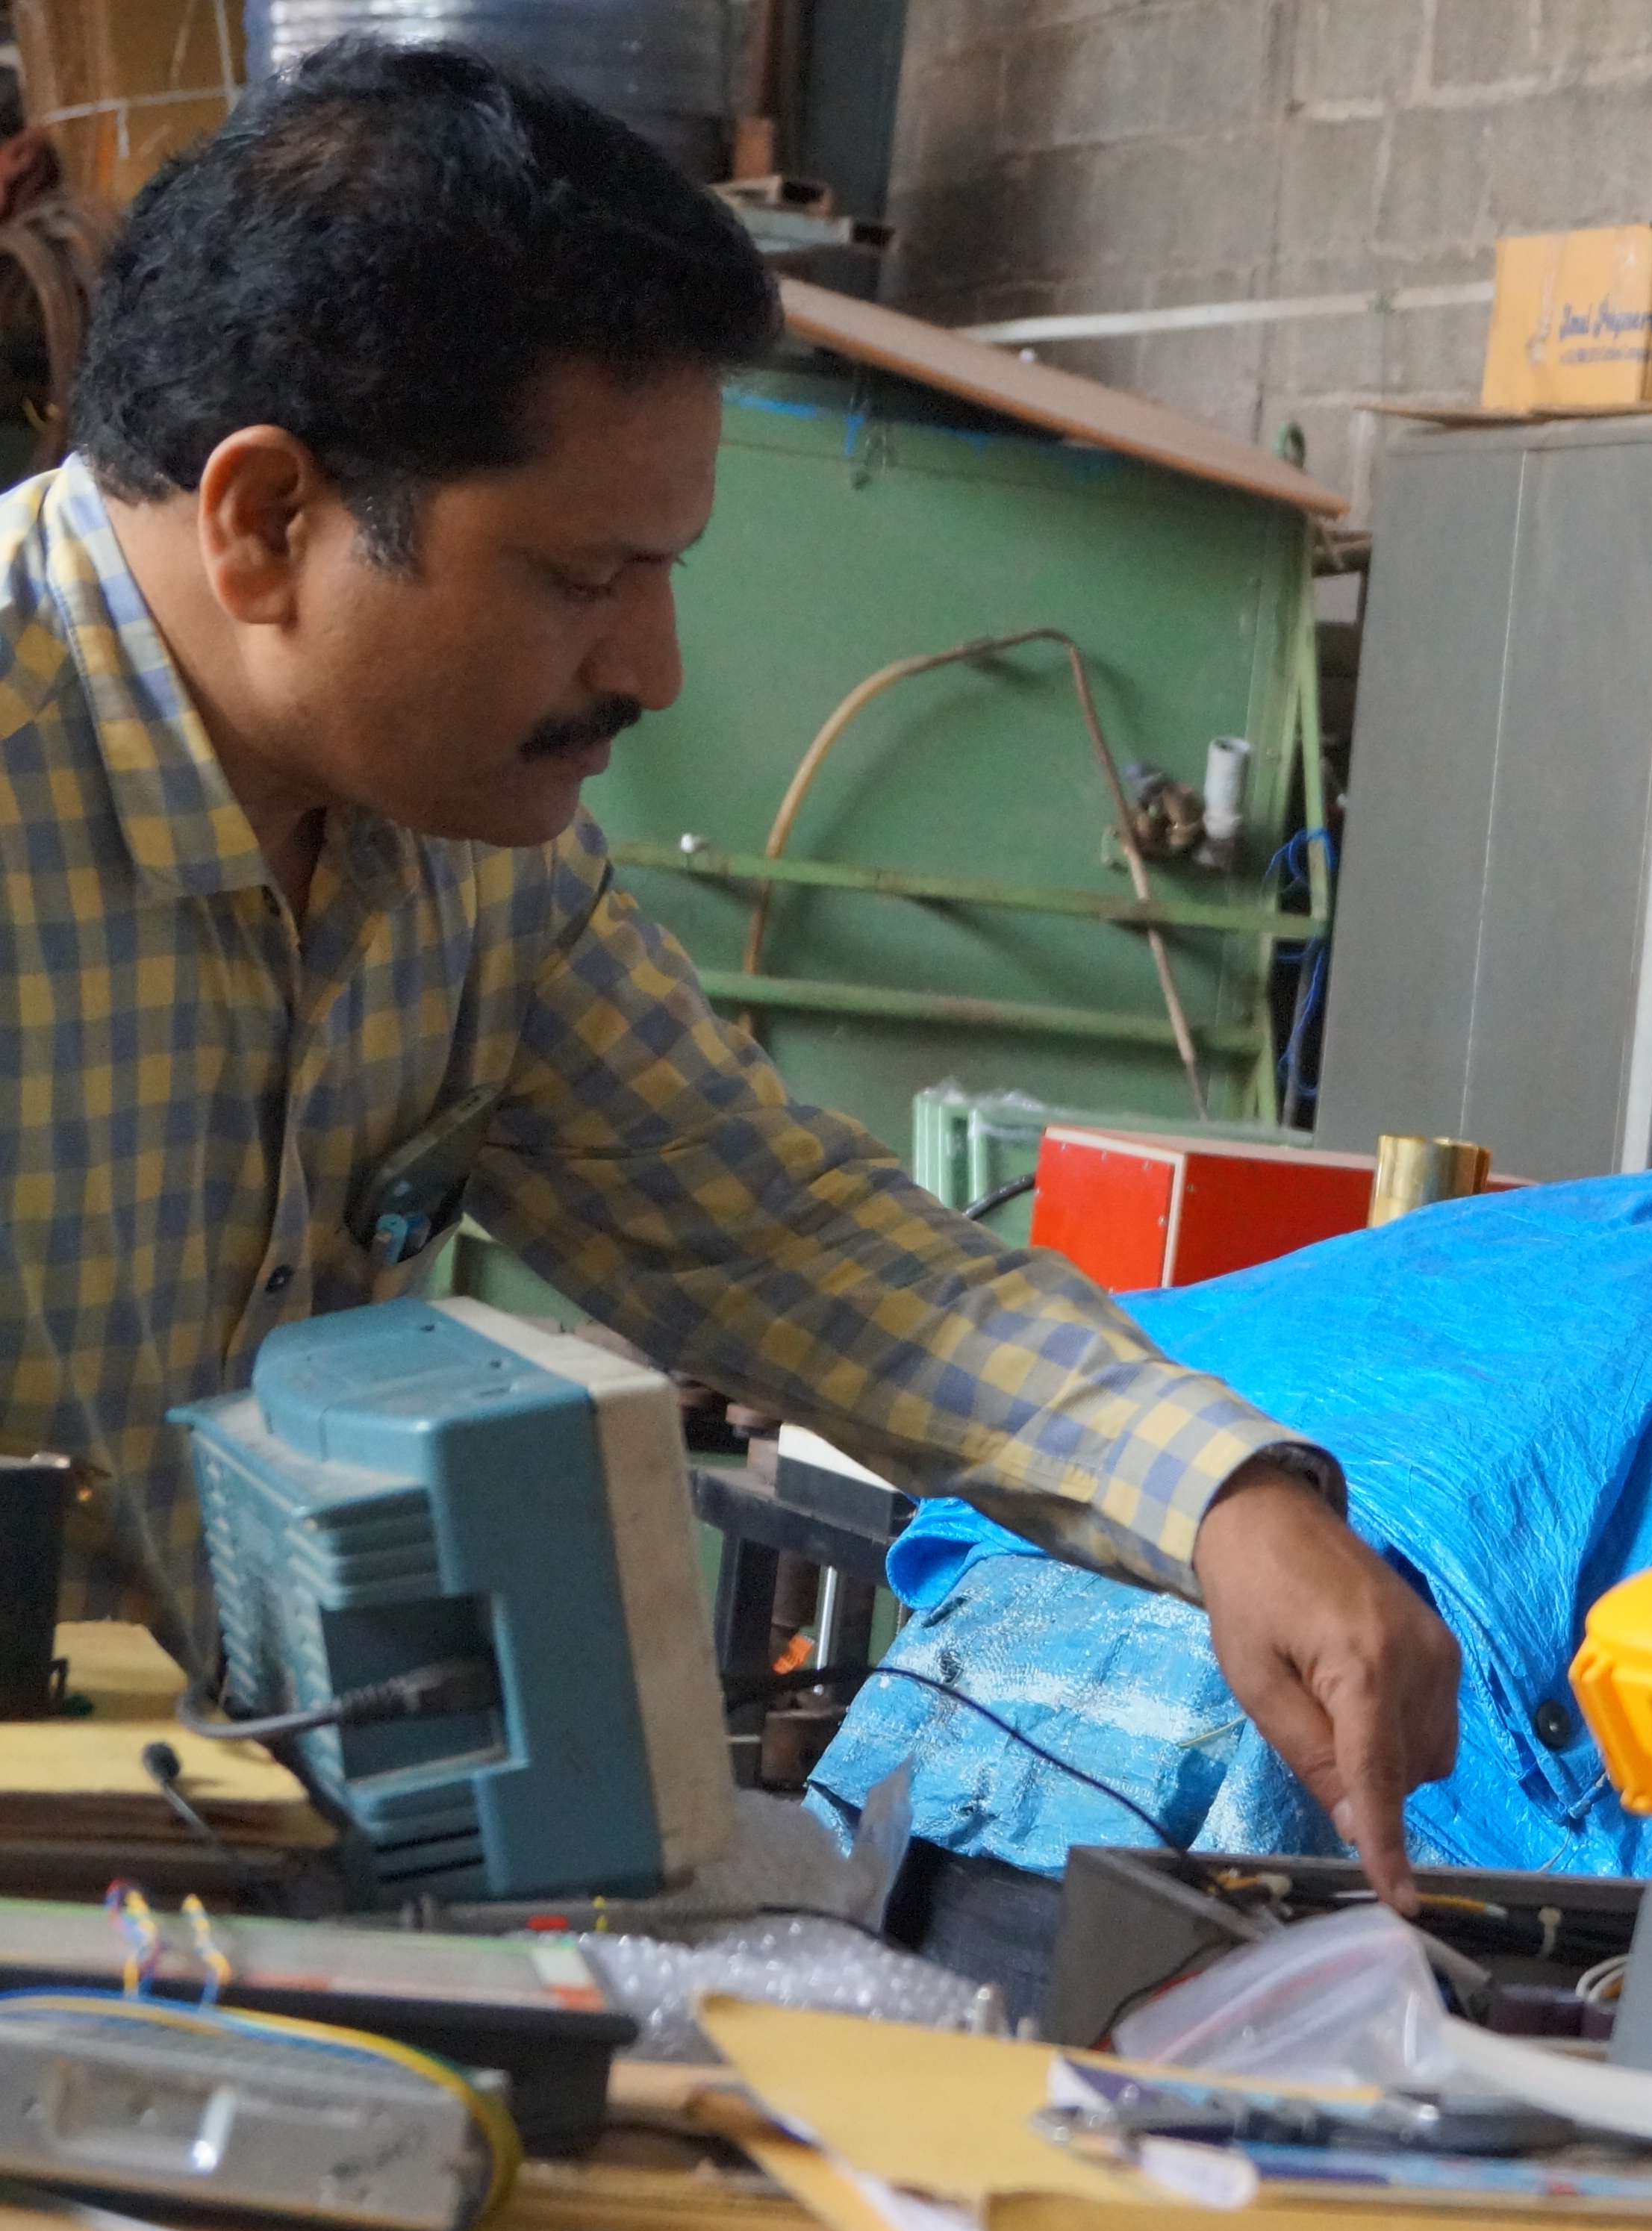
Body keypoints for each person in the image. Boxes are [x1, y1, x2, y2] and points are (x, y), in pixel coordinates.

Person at [0, 40, 1455, 1907]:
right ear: (268, 519)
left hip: (200, 1917)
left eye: (664, 571)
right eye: (582, 577)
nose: (653, 668)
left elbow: (767, 1231)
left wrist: (1228, 1498)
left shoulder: (461, 861)